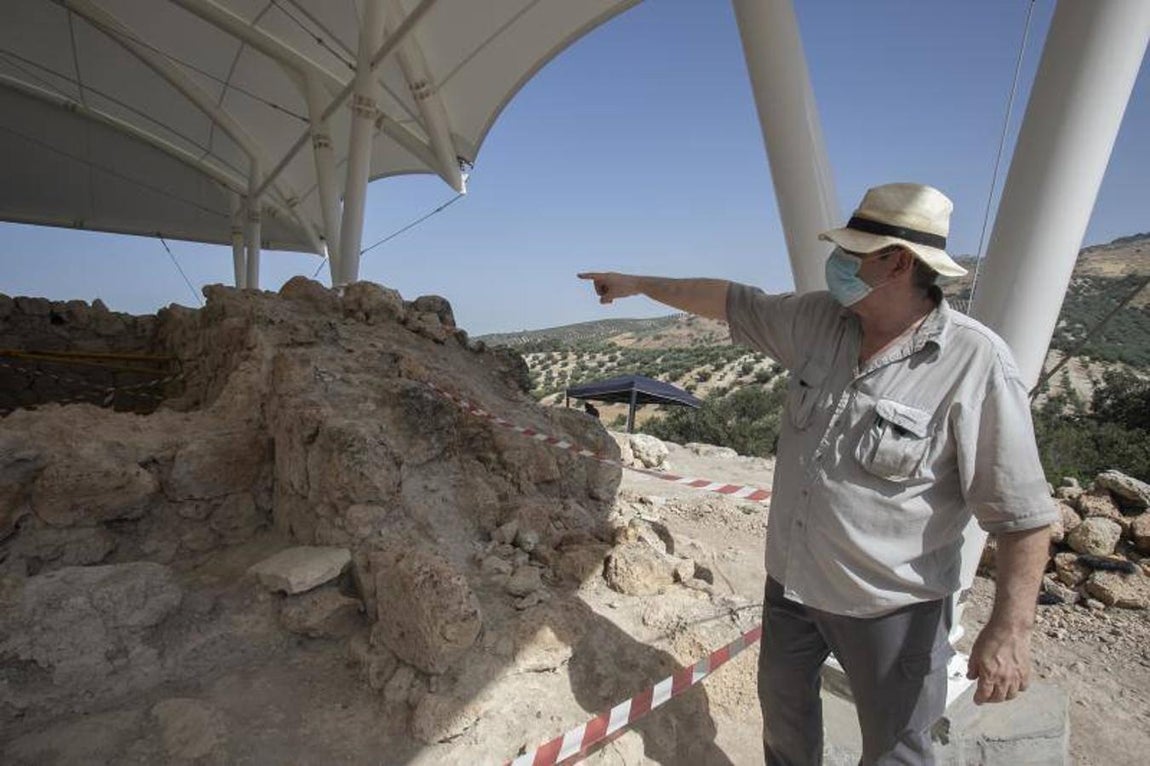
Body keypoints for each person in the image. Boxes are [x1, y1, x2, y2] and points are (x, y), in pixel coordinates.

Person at [578, 183, 1056, 766]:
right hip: (792, 590)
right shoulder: (817, 321)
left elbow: (1023, 516)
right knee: (785, 731)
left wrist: (1011, 631)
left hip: (891, 611)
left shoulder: (974, 363)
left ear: (899, 263)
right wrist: (637, 284)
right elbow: (732, 300)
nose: (836, 264)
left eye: (852, 252)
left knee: (897, 752)